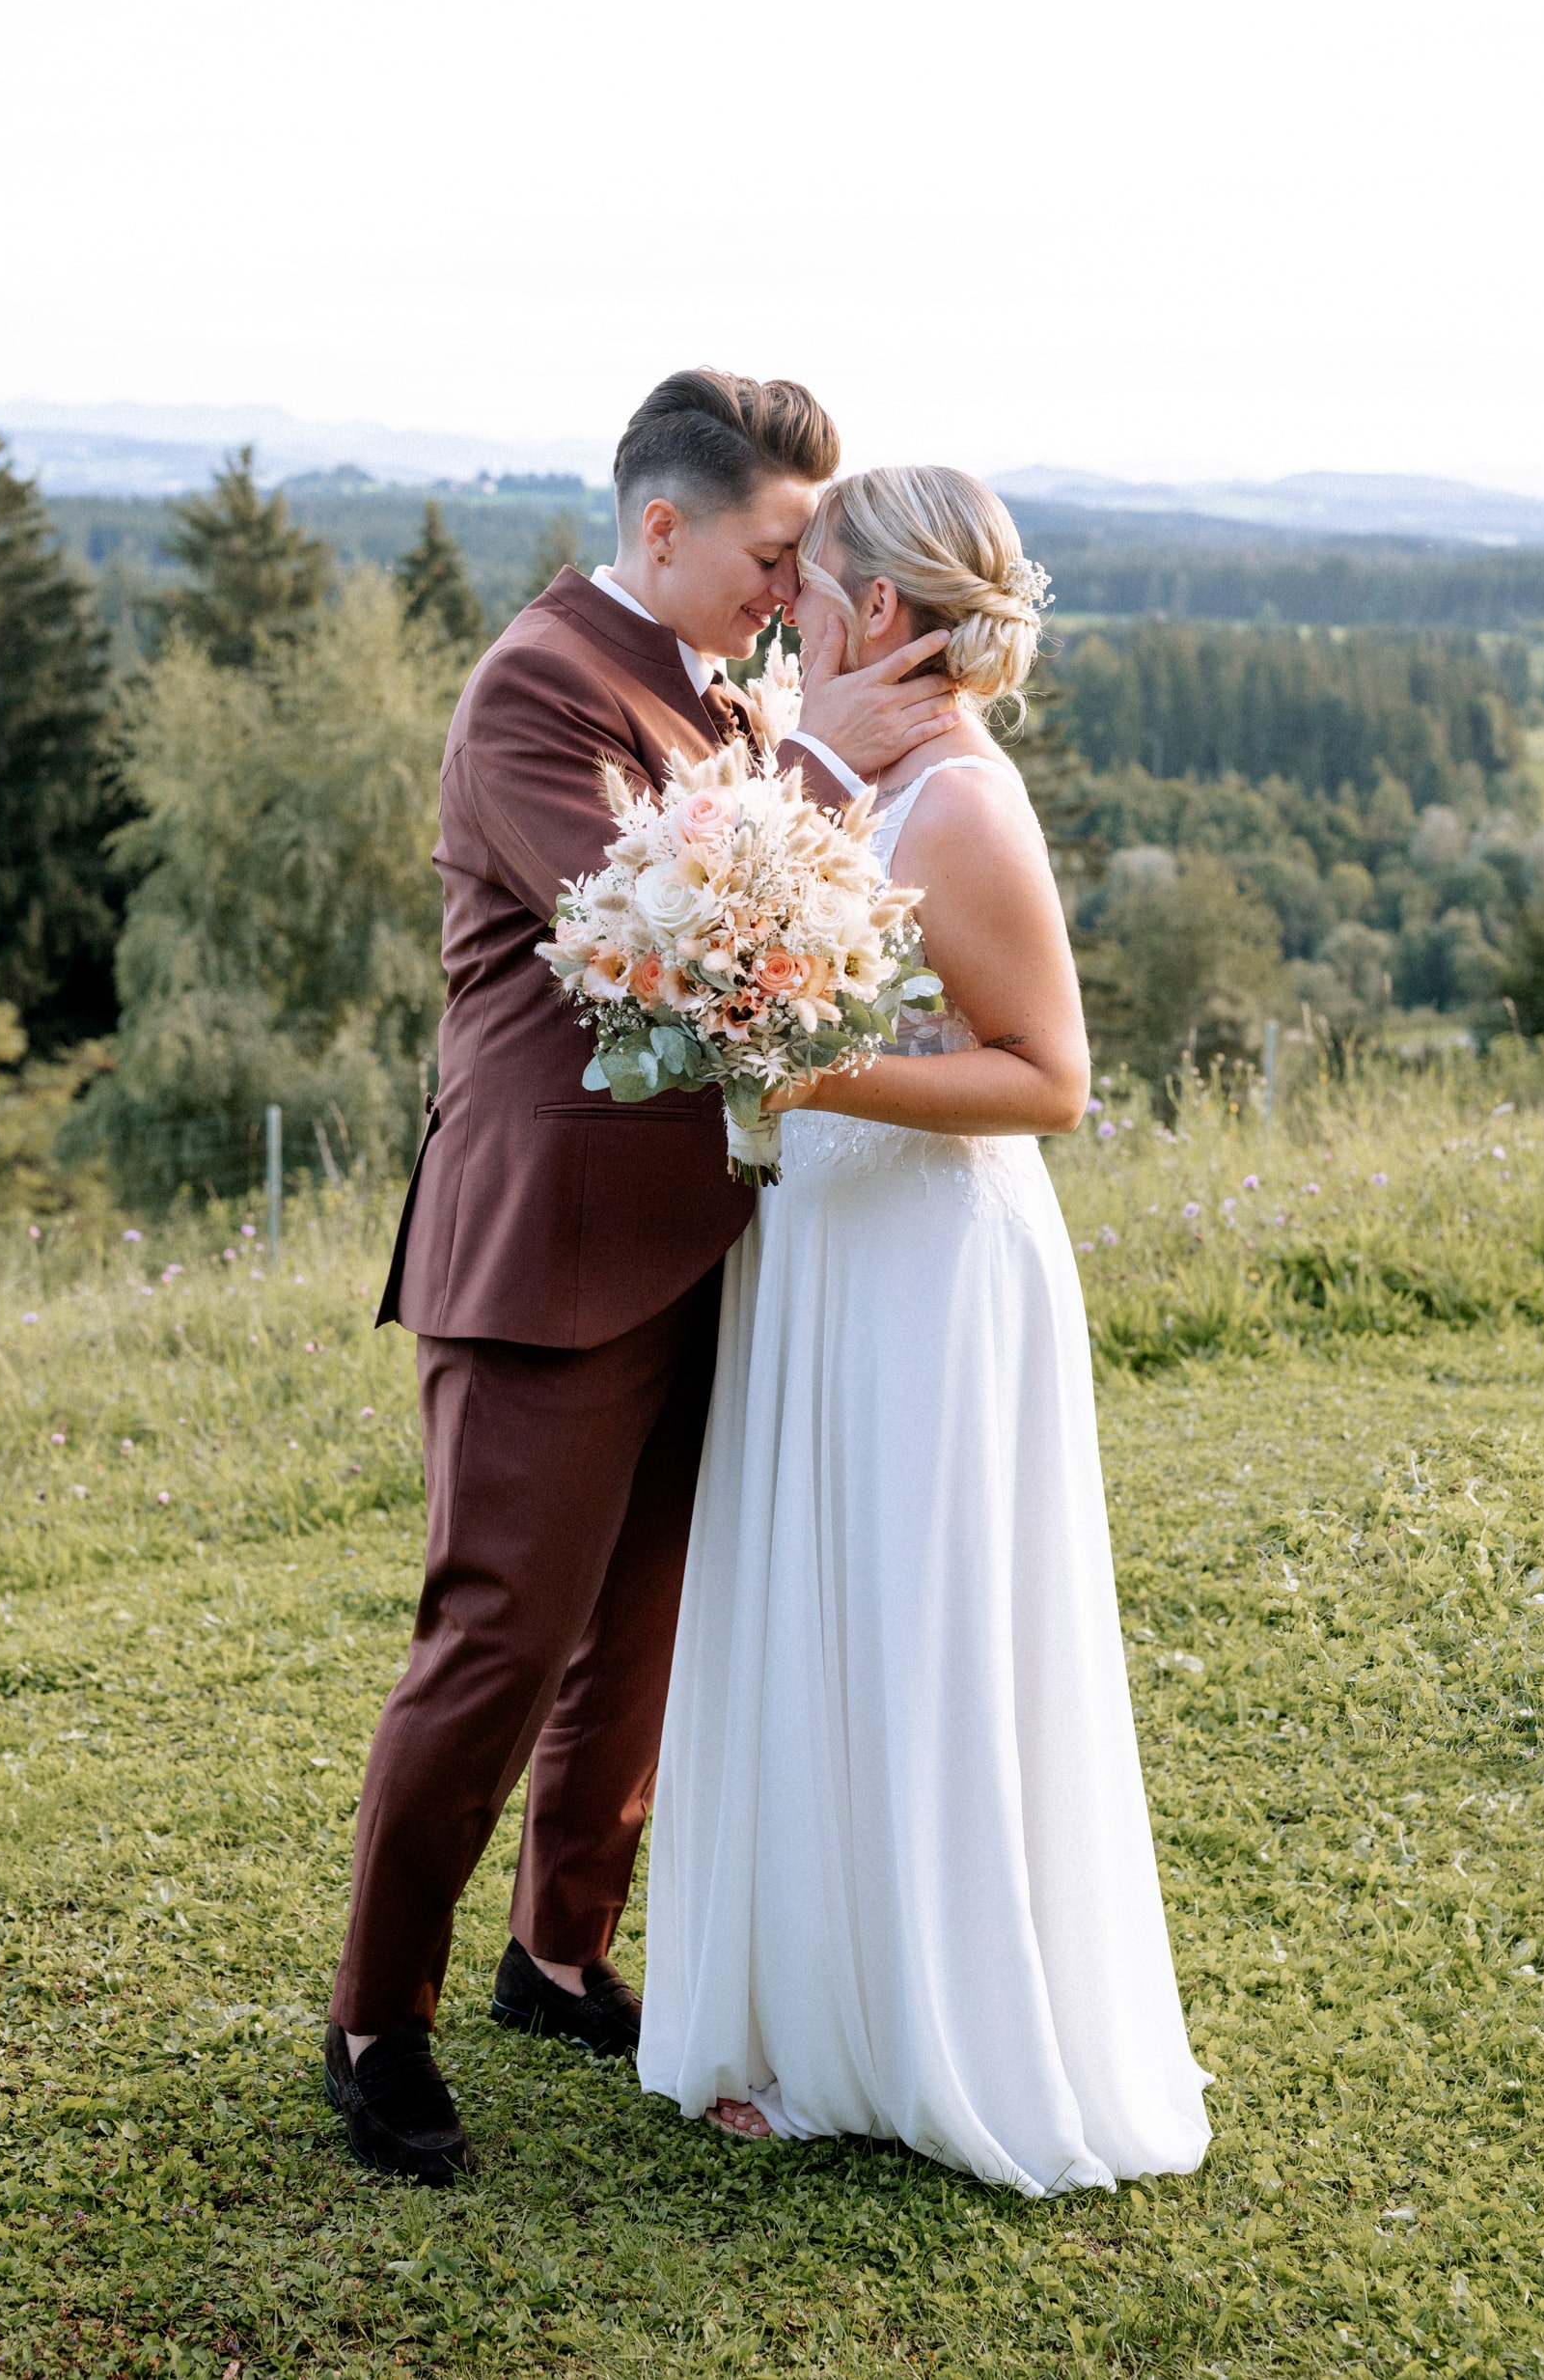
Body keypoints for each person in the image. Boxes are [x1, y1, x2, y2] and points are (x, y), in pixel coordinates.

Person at [322, 374, 962, 2182]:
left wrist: (802, 745)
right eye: (774, 552)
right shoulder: (540, 685)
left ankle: (557, 1948)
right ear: (664, 527)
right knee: (501, 1632)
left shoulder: (713, 690)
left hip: (703, 1231)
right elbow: (661, 954)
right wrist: (828, 771)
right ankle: (377, 2016)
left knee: (644, 1625)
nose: (792, 589)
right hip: (549, 1243)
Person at [639, 465, 1213, 2192]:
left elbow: (1053, 1076)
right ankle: (823, 2014)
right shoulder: (855, 768)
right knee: (825, 1609)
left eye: (808, 583)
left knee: (912, 1621)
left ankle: (916, 2036)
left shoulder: (960, 803)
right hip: (829, 1248)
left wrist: (805, 1072)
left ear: (875, 612)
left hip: (929, 1268)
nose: (788, 607)